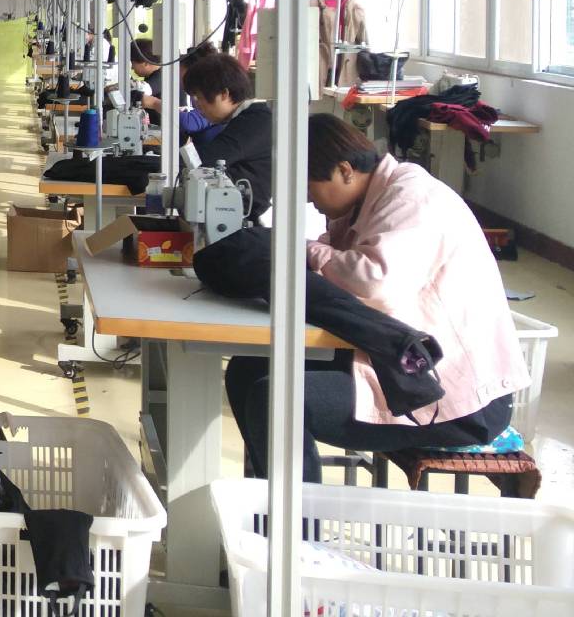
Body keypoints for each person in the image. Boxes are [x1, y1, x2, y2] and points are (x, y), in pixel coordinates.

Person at [222, 115, 528, 481]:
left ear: (345, 170)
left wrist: (305, 250)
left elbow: (373, 285)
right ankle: (268, 499)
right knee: (246, 369)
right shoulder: (366, 202)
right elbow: (337, 269)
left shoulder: (413, 199)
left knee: (275, 400)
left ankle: (300, 518)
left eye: (309, 187)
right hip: (401, 363)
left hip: (452, 393)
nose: (309, 200)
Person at [180, 50, 272, 218]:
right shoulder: (248, 117)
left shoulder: (254, 121)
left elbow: (207, 159)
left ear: (224, 94)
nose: (198, 107)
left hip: (250, 217)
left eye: (200, 98)